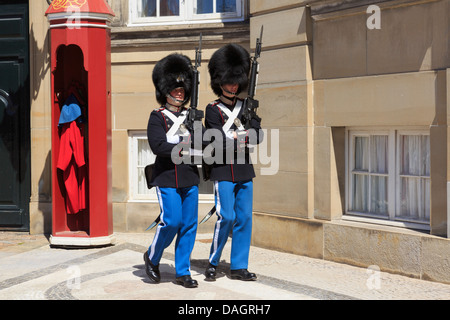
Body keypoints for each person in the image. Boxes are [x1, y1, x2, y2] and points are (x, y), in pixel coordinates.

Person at [203, 44, 263, 282]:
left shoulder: (246, 107)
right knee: (226, 217)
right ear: (220, 82)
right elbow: (217, 140)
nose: (234, 84)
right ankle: (213, 261)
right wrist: (242, 135)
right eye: (229, 80)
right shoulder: (212, 110)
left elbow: (258, 135)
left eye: (236, 80)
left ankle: (239, 265)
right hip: (222, 170)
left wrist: (240, 136)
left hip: (244, 170)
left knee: (245, 219)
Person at [143, 53, 200, 288]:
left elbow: (204, 141)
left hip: (189, 176)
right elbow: (158, 145)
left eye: (182, 90)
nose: (179, 93)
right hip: (166, 176)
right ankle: (152, 257)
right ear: (165, 91)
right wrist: (183, 147)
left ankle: (183, 270)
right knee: (172, 221)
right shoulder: (157, 117)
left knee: (189, 224)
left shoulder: (192, 116)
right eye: (175, 89)